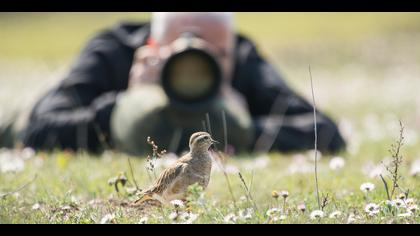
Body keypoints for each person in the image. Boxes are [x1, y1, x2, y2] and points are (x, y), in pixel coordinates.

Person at [18, 12, 346, 155]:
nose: (196, 66)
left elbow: (325, 131)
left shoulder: (242, 57)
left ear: (230, 49)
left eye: (213, 54)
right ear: (150, 46)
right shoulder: (113, 49)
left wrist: (240, 124)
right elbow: (36, 129)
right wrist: (124, 105)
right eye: (181, 52)